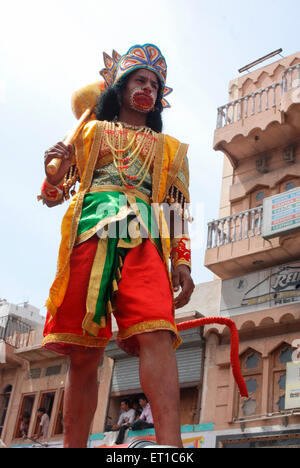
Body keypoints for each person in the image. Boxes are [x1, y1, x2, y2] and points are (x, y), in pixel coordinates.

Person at [39, 44, 195, 448]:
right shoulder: (90, 132)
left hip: (145, 238)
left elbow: (174, 208)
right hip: (90, 230)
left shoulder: (171, 149)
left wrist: (182, 264)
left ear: (161, 98)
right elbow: (54, 193)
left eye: (155, 84)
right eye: (139, 80)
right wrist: (52, 175)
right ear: (122, 86)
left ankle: (171, 450)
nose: (147, 88)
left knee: (158, 334)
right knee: (84, 353)